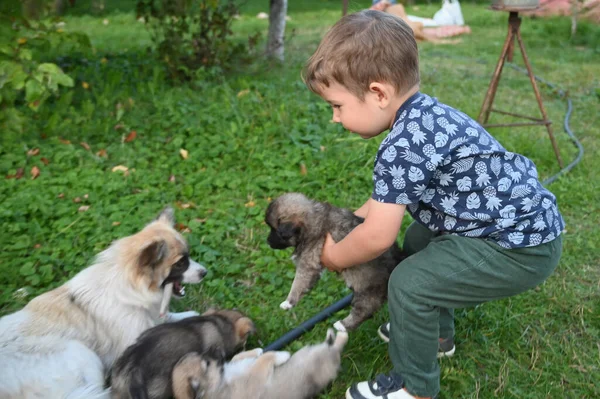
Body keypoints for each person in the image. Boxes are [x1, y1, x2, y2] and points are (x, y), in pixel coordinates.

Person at [302, 10, 564, 399]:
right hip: (517, 227)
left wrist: (335, 256)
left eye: (337, 106)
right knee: (420, 238)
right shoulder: (425, 114)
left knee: (409, 284)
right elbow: (383, 201)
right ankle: (434, 334)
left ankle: (414, 386)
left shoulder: (402, 146)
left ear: (378, 93)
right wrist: (348, 221)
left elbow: (376, 237)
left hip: (518, 248)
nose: (336, 119)